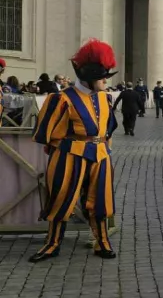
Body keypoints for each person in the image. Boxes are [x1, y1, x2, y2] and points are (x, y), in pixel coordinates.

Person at [29, 40, 119, 262]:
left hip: (100, 154)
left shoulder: (106, 98)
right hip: (70, 153)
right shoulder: (61, 98)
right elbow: (45, 133)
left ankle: (102, 241)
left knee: (100, 199)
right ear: (89, 76)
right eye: (102, 76)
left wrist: (104, 148)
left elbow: (109, 128)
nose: (106, 80)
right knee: (60, 196)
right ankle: (53, 243)